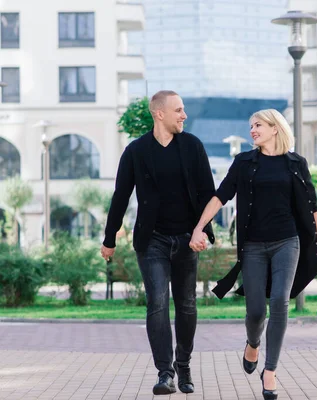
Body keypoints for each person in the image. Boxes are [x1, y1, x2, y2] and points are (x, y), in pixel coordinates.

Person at [189, 108, 317, 400]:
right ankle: (253, 342)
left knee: (279, 301)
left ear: (275, 128)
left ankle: (270, 371)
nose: (252, 130)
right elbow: (220, 196)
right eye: (251, 126)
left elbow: (311, 205)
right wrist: (199, 228)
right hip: (253, 245)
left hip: (287, 242)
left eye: (258, 125)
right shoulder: (244, 163)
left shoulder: (295, 163)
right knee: (256, 311)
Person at [100, 90, 215, 395]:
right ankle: (165, 372)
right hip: (152, 241)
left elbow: (208, 193)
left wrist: (204, 231)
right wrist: (109, 238)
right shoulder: (136, 151)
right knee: (158, 304)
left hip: (187, 239)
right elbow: (120, 196)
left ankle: (184, 365)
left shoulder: (192, 146)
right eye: (178, 110)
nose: (184, 115)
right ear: (159, 113)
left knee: (187, 305)